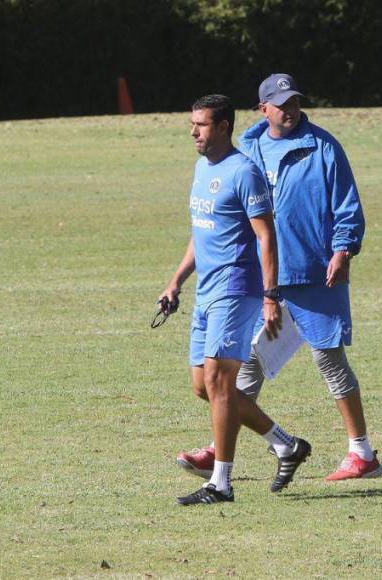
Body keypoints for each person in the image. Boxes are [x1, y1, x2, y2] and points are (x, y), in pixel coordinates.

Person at [175, 75, 382, 482]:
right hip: (260, 277)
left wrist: (342, 250)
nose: (289, 110)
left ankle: (362, 453)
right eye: (280, 104)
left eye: (294, 102)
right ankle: (221, 451)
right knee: (243, 364)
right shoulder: (249, 147)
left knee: (330, 360)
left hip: (314, 272)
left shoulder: (323, 146)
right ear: (262, 109)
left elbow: (347, 205)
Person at [159, 94, 312, 506]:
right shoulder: (200, 168)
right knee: (201, 385)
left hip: (236, 287)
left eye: (202, 125)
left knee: (219, 381)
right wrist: (176, 281)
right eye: (192, 124)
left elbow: (266, 236)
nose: (194, 132)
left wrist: (270, 295)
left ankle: (220, 484)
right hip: (206, 289)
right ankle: (285, 444)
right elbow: (202, 229)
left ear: (224, 127)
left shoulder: (245, 172)